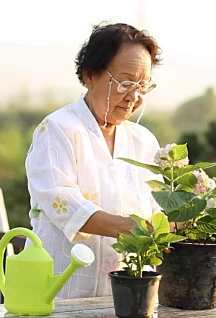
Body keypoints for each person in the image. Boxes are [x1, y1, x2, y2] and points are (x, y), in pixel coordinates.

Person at [25, 22, 163, 299]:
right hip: (59, 291)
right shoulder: (58, 129)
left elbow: (158, 208)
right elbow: (62, 200)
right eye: (125, 83)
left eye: (143, 86)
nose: (134, 97)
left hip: (131, 295)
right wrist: (131, 228)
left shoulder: (143, 141)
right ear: (90, 75)